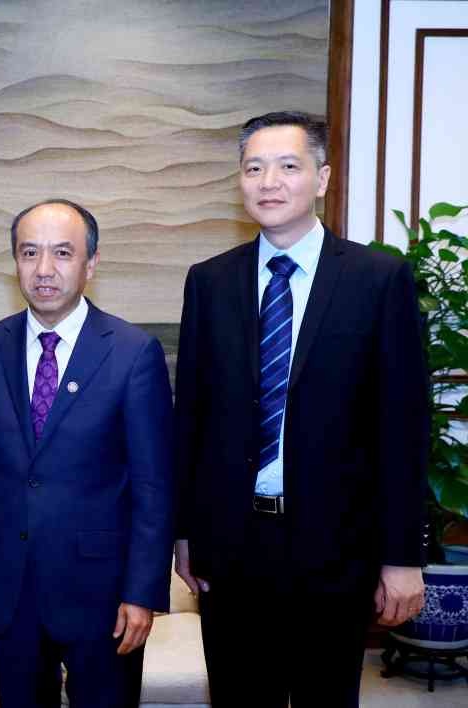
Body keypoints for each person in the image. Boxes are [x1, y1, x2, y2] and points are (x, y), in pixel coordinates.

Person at [173, 111, 430, 706]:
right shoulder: (209, 282)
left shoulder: (378, 279)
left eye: (288, 166)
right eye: (254, 168)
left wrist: (402, 557)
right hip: (233, 546)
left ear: (322, 178)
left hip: (337, 546)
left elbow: (403, 428)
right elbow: (192, 417)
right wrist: (185, 532)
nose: (269, 182)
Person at [0, 199, 175, 708]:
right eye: (30, 253)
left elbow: (153, 486)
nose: (44, 269)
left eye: (62, 253)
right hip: (10, 590)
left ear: (90, 264)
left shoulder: (133, 352)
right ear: (15, 262)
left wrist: (142, 592)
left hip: (103, 593)